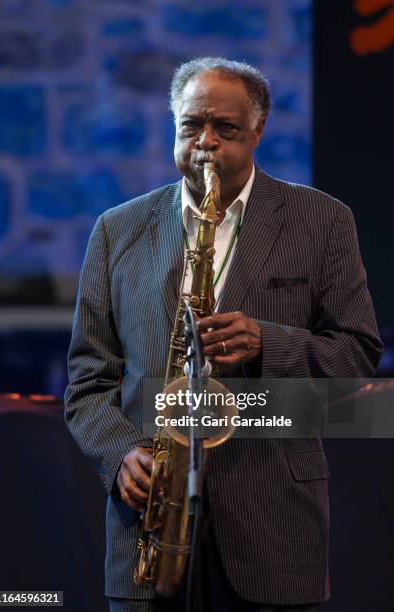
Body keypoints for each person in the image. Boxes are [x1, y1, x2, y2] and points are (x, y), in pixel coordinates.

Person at [64, 58, 383, 612]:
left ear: (258, 132)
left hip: (274, 527)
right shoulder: (117, 229)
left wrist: (268, 342)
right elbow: (88, 380)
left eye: (225, 129)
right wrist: (120, 456)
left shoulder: (323, 220)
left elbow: (357, 355)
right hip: (148, 531)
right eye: (191, 126)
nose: (206, 142)